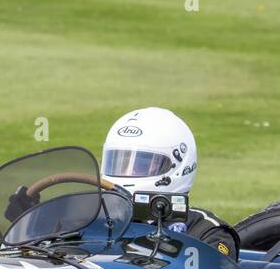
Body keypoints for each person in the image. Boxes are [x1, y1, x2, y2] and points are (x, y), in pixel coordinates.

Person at [101, 107, 239, 259]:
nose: (129, 172)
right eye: (120, 162)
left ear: (179, 166)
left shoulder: (205, 232)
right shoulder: (95, 221)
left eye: (141, 164)